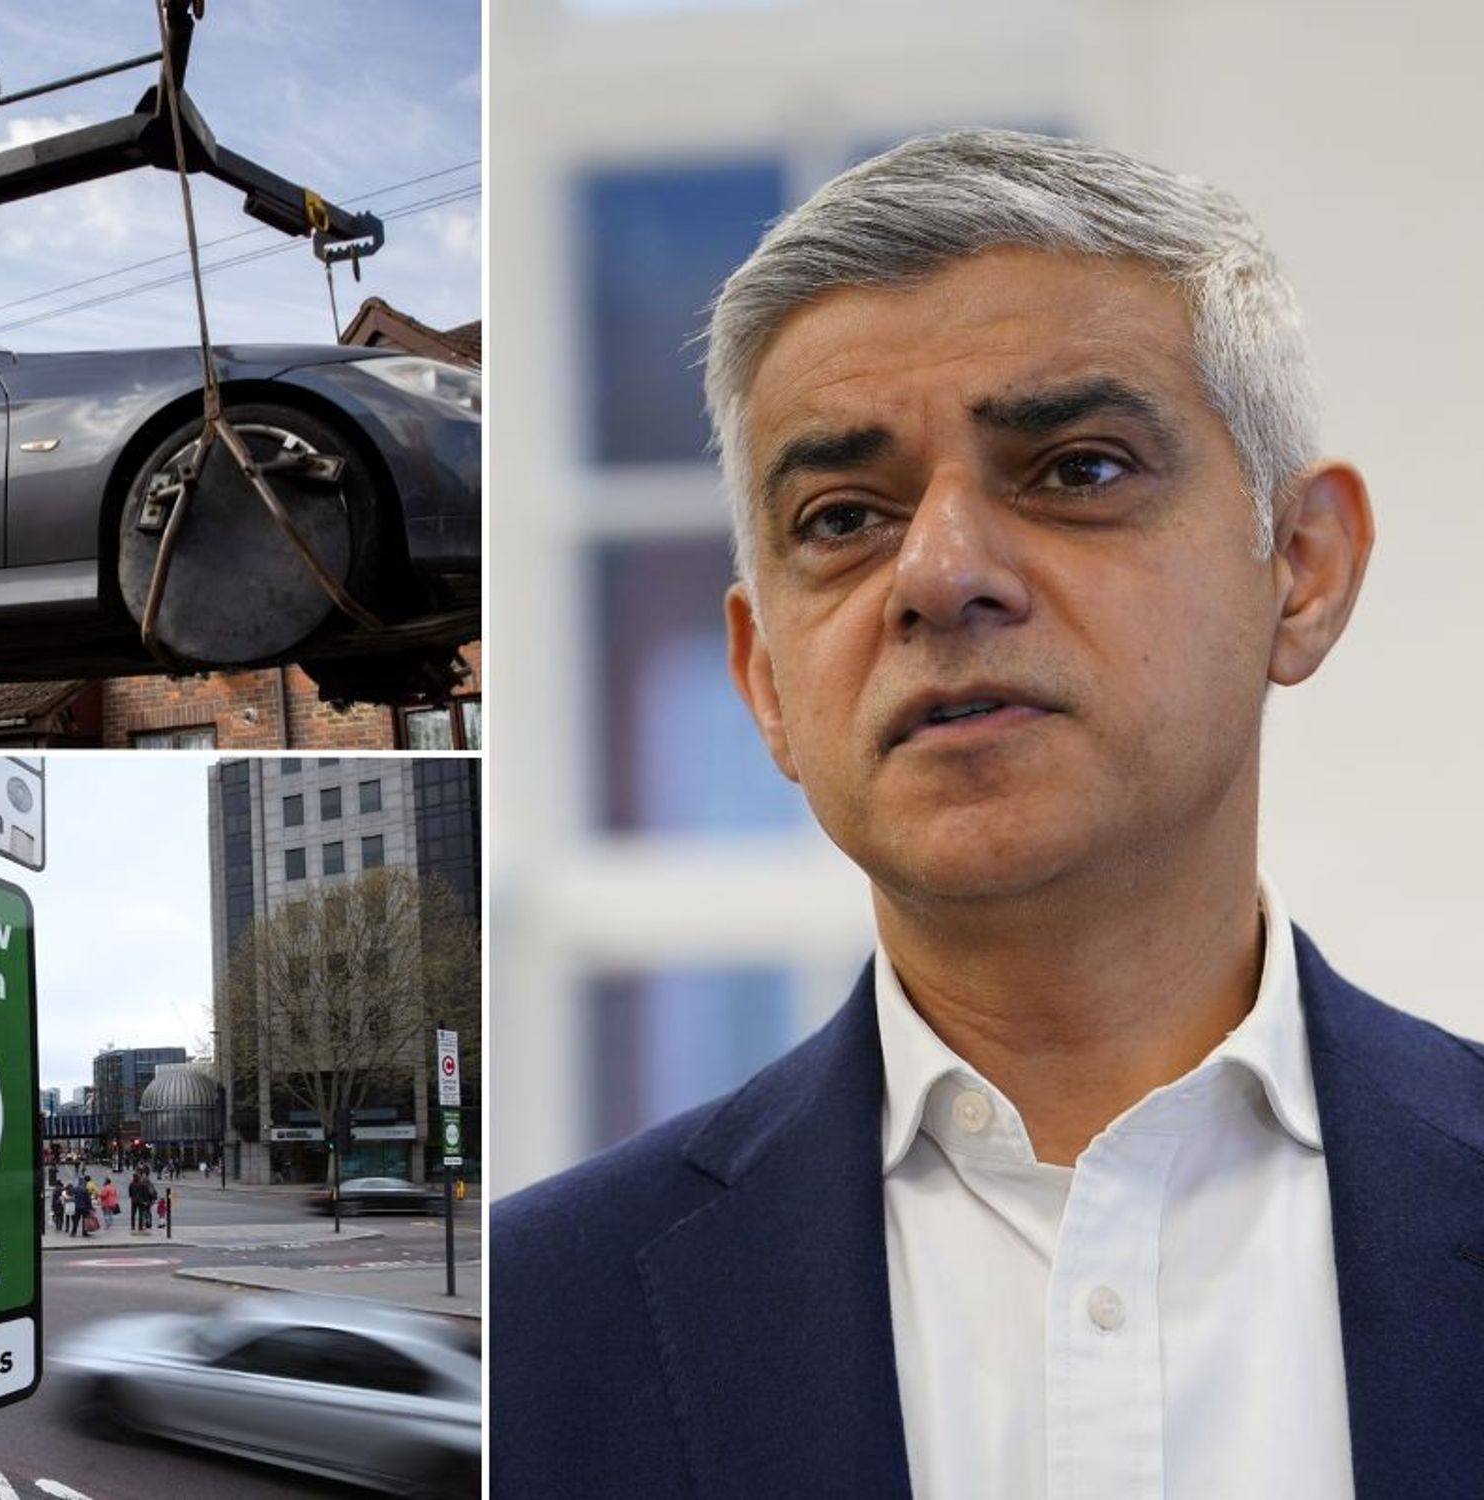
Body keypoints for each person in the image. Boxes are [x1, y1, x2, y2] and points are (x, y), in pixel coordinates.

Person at [492, 129, 1483, 1498]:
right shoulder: (538, 1326)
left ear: (1302, 570)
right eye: (844, 516)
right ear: (765, 680)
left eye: (1077, 469)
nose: (941, 572)